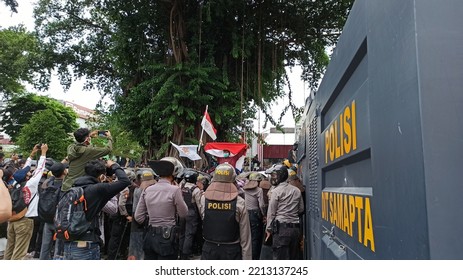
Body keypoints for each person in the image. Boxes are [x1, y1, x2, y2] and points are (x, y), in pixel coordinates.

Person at [61, 159, 130, 260]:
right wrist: (114, 165)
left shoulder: (74, 188)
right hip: (86, 245)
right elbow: (125, 181)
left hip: (69, 242)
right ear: (101, 176)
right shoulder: (98, 189)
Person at [134, 157, 188, 260]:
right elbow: (184, 214)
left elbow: (138, 217)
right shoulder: (175, 190)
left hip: (150, 235)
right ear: (173, 174)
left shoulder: (147, 189)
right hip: (168, 237)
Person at [4, 144, 48, 260]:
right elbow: (40, 169)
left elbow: (23, 171)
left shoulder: (14, 184)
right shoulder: (32, 184)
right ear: (27, 176)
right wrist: (43, 153)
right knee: (19, 253)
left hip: (12, 221)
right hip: (24, 221)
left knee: (9, 250)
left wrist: (32, 154)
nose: (29, 171)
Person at [199, 163, 252, 260]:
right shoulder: (239, 202)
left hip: (209, 250)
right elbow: (245, 237)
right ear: (233, 180)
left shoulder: (203, 199)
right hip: (231, 252)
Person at [265, 164, 304, 260]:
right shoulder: (297, 190)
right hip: (295, 230)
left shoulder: (276, 191)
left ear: (279, 176)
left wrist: (268, 229)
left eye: (274, 176)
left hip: (281, 230)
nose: (273, 178)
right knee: (293, 257)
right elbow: (301, 209)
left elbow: (271, 212)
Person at [39, 161, 68, 260]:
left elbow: (53, 175)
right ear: (64, 171)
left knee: (45, 245)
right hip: (59, 220)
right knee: (58, 248)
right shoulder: (65, 186)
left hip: (47, 217)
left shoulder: (47, 183)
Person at [179, 168, 202, 259]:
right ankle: (185, 254)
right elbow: (199, 205)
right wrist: (202, 217)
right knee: (189, 234)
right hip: (191, 213)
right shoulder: (195, 190)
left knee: (182, 233)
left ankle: (180, 253)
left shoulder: (181, 186)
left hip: (181, 212)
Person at [243, 172, 266, 260]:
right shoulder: (259, 190)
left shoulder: (245, 189)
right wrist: (264, 215)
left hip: (246, 213)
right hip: (255, 215)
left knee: (246, 236)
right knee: (255, 237)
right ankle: (254, 258)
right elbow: (261, 205)